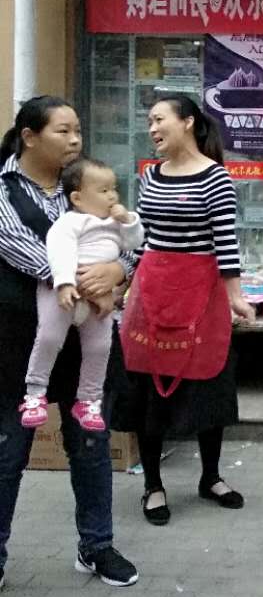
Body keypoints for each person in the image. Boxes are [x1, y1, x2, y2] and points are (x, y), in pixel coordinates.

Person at [0, 96, 139, 589]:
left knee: (91, 444)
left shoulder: (85, 183)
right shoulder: (4, 192)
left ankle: (96, 546)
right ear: (29, 136)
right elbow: (32, 255)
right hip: (21, 341)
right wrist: (96, 278)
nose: (75, 139)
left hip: (87, 339)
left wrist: (118, 269)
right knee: (9, 452)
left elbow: (130, 241)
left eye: (77, 130)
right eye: (63, 131)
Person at [116, 94, 254, 527]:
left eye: (159, 119)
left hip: (202, 294)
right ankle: (153, 485)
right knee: (148, 389)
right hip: (152, 291)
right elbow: (143, 237)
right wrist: (125, 280)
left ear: (187, 122)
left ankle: (210, 477)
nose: (152, 129)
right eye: (149, 122)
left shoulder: (216, 178)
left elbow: (225, 240)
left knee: (208, 384)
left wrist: (235, 295)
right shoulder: (151, 176)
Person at [20, 157, 143, 434]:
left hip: (100, 296)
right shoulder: (70, 222)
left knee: (99, 346)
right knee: (49, 337)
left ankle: (89, 400)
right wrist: (65, 282)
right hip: (63, 292)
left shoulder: (114, 225)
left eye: (114, 189)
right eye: (103, 190)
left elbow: (135, 242)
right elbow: (59, 251)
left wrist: (129, 220)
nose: (112, 196)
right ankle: (35, 393)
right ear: (77, 198)